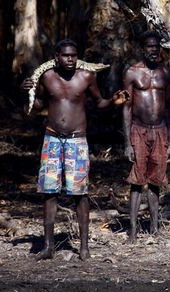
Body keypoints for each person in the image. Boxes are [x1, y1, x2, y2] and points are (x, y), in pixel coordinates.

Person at [21, 39, 125, 260]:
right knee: (49, 193)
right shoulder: (47, 77)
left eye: (74, 55)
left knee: (80, 194)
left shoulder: (86, 77)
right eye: (66, 55)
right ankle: (48, 247)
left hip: (77, 141)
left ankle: (84, 249)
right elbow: (37, 105)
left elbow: (99, 103)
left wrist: (113, 101)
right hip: (52, 140)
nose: (70, 59)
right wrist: (27, 91)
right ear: (56, 56)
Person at [122, 31, 170, 243]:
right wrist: (127, 143)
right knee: (137, 181)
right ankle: (133, 231)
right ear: (142, 49)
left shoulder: (166, 73)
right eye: (150, 47)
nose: (154, 50)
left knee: (156, 181)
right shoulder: (132, 73)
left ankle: (154, 228)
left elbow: (169, 108)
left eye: (156, 46)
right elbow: (125, 108)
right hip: (139, 130)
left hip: (160, 130)